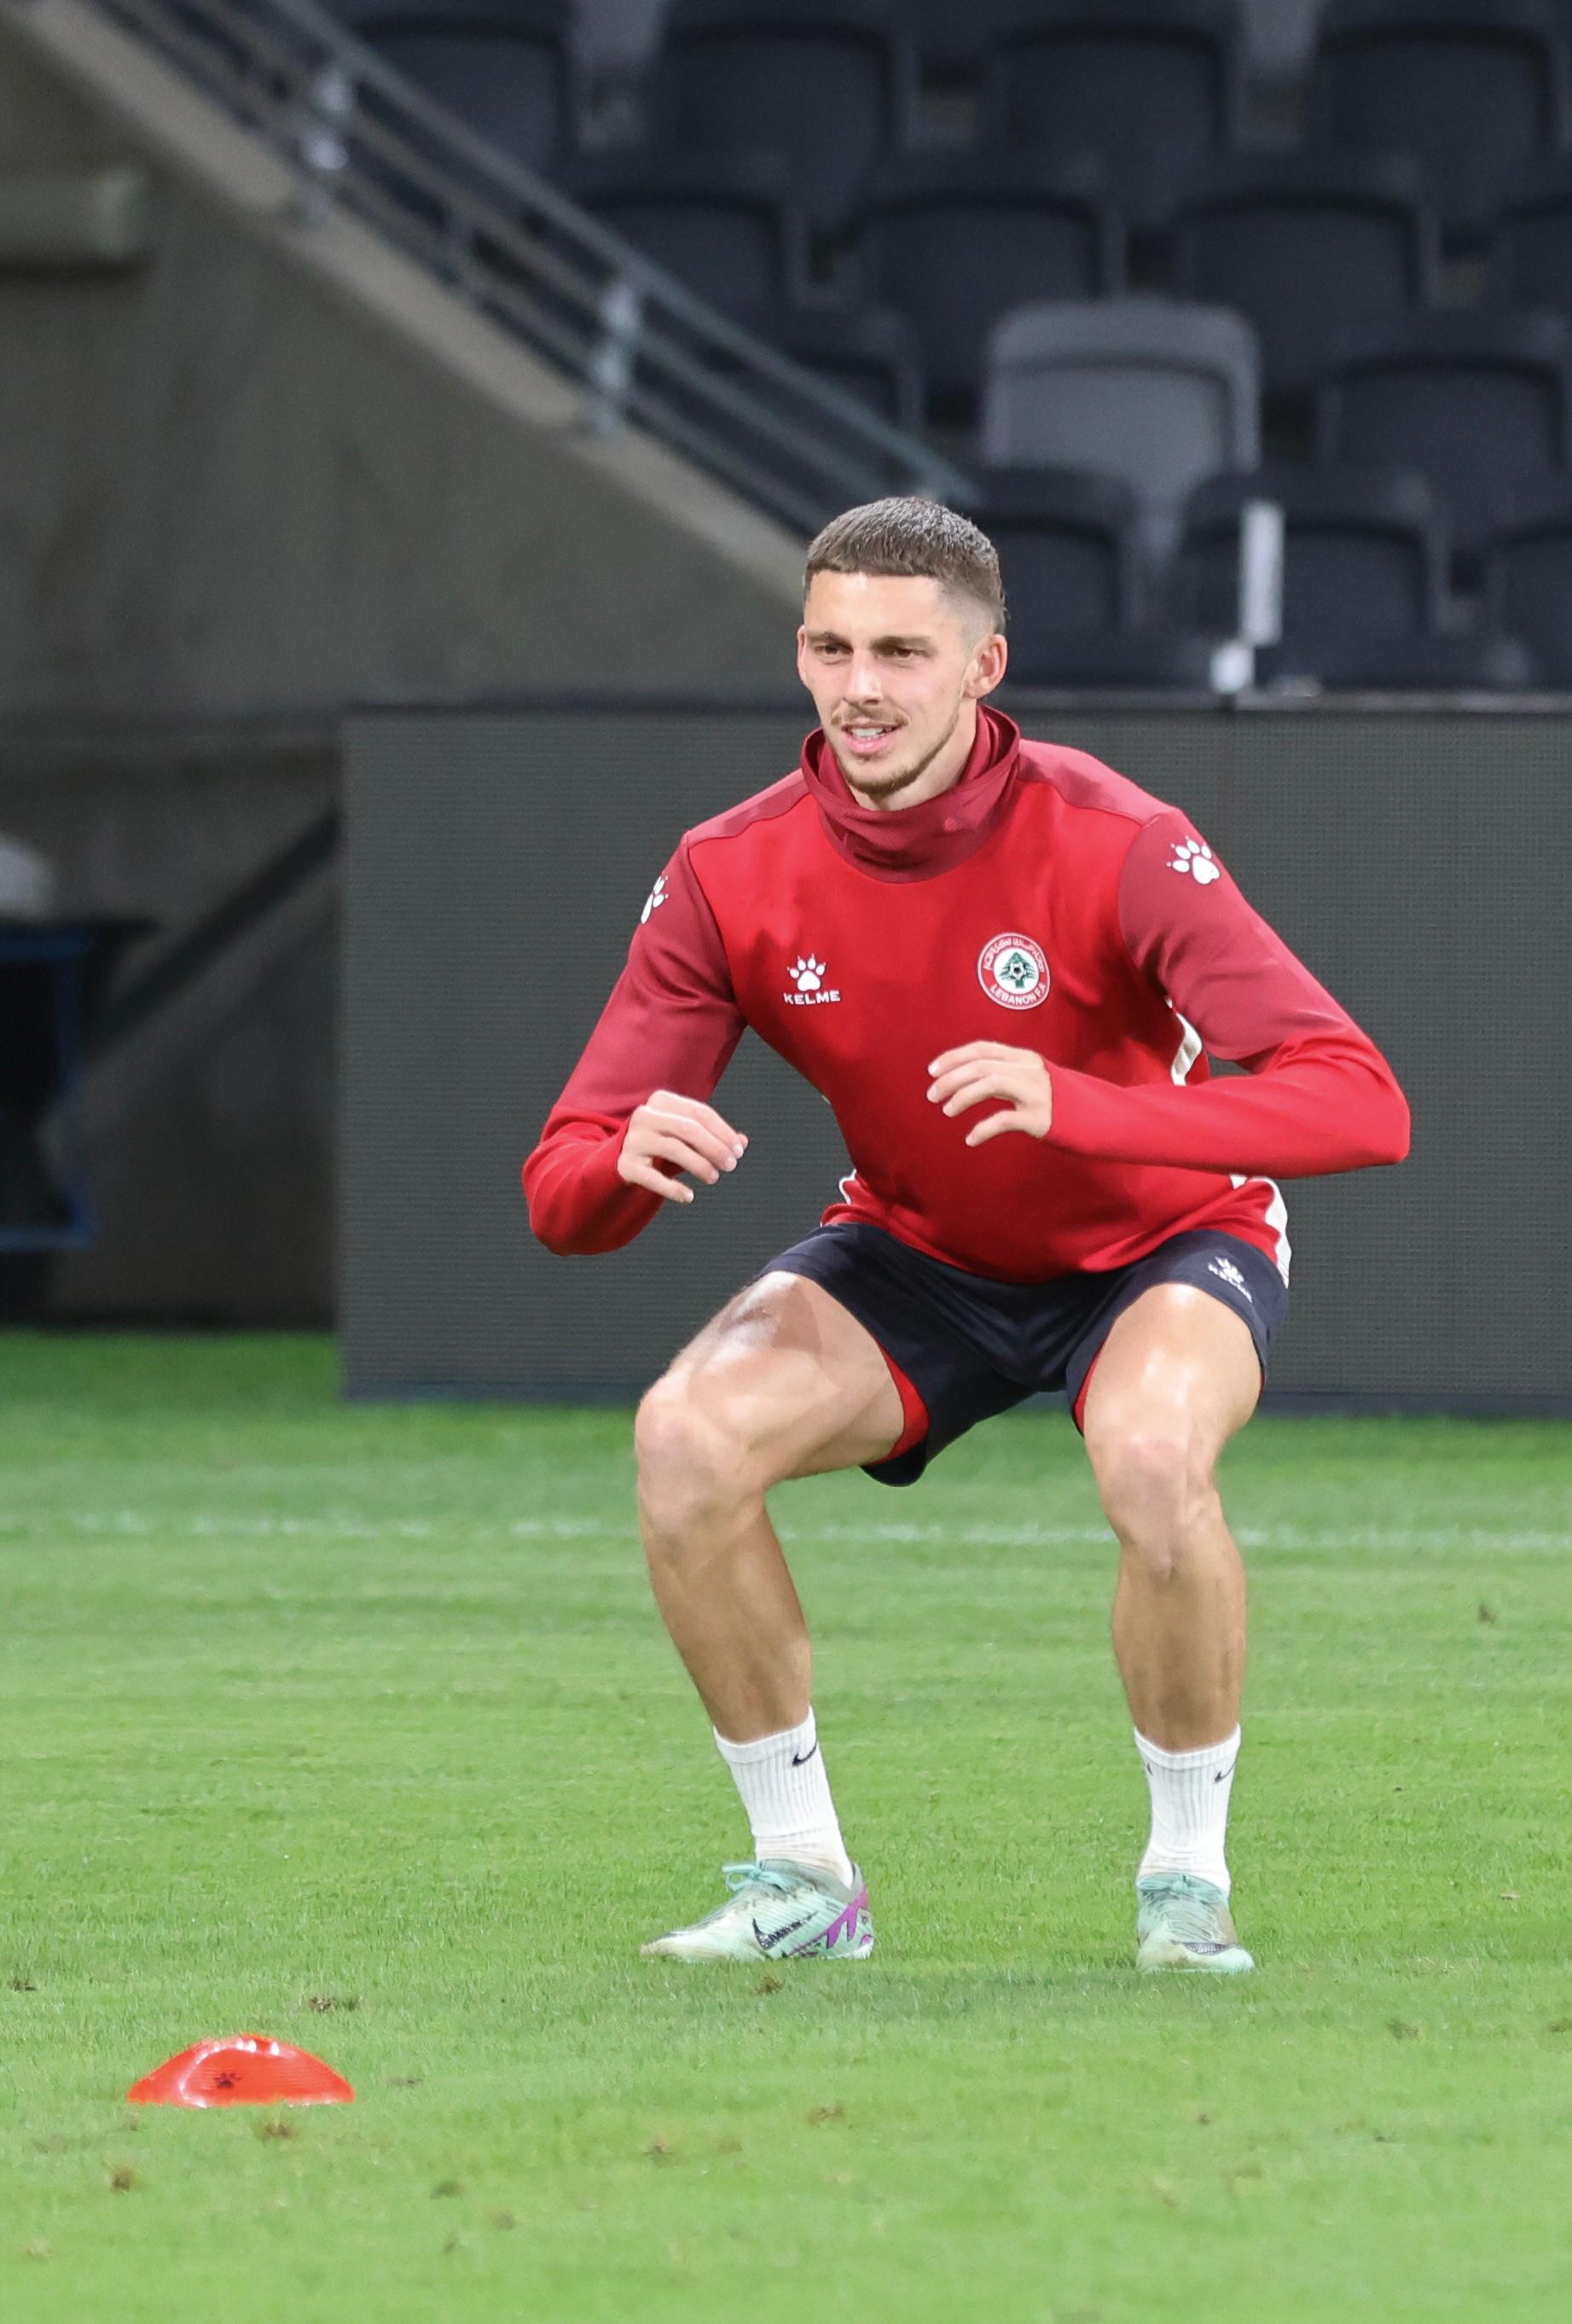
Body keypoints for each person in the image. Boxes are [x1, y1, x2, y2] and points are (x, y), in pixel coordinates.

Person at [524, 499, 1409, 1973]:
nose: (858, 688)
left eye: (900, 653)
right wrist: (620, 1163)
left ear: (984, 666)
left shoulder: (1117, 839)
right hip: (923, 1251)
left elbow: (1362, 1101)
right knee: (683, 1439)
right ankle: (805, 1884)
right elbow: (564, 1193)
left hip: (1165, 1238)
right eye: (829, 649)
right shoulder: (731, 871)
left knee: (1149, 1457)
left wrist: (1084, 1108)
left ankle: (1185, 1888)